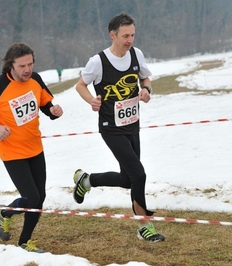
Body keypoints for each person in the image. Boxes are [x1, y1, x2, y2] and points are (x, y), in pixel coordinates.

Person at [74, 12, 164, 242]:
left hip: (133, 124)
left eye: (132, 35)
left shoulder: (137, 54)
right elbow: (80, 85)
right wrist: (91, 100)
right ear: (112, 35)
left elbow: (146, 79)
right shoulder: (98, 62)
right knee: (139, 174)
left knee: (127, 179)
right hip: (111, 128)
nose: (130, 40)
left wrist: (146, 90)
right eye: (125, 35)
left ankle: (87, 180)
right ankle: (144, 225)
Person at [0, 42, 64, 253]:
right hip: (11, 151)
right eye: (22, 66)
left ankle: (23, 239)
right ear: (10, 65)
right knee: (32, 197)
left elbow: (44, 103)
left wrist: (53, 111)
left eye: (30, 64)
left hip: (35, 147)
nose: (27, 69)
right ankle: (7, 216)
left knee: (40, 198)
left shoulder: (35, 79)